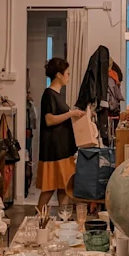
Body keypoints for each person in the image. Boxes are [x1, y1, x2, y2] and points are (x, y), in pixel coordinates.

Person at [38, 58, 84, 208]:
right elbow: (49, 120)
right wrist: (71, 114)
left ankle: (63, 221)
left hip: (63, 148)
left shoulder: (57, 95)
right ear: (59, 75)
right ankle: (38, 220)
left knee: (64, 187)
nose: (69, 77)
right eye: (67, 74)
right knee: (49, 187)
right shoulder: (49, 94)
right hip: (54, 150)